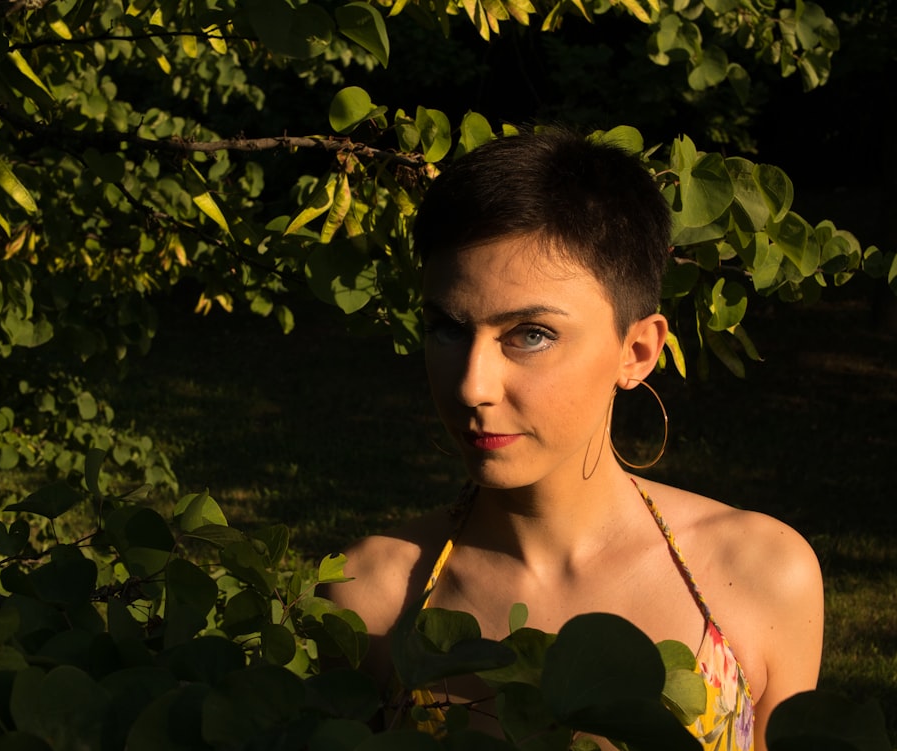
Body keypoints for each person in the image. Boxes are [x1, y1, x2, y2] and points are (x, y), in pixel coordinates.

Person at [323, 129, 823, 751]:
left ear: (637, 351)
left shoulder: (762, 574)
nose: (472, 386)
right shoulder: (369, 596)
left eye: (530, 334)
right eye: (448, 328)